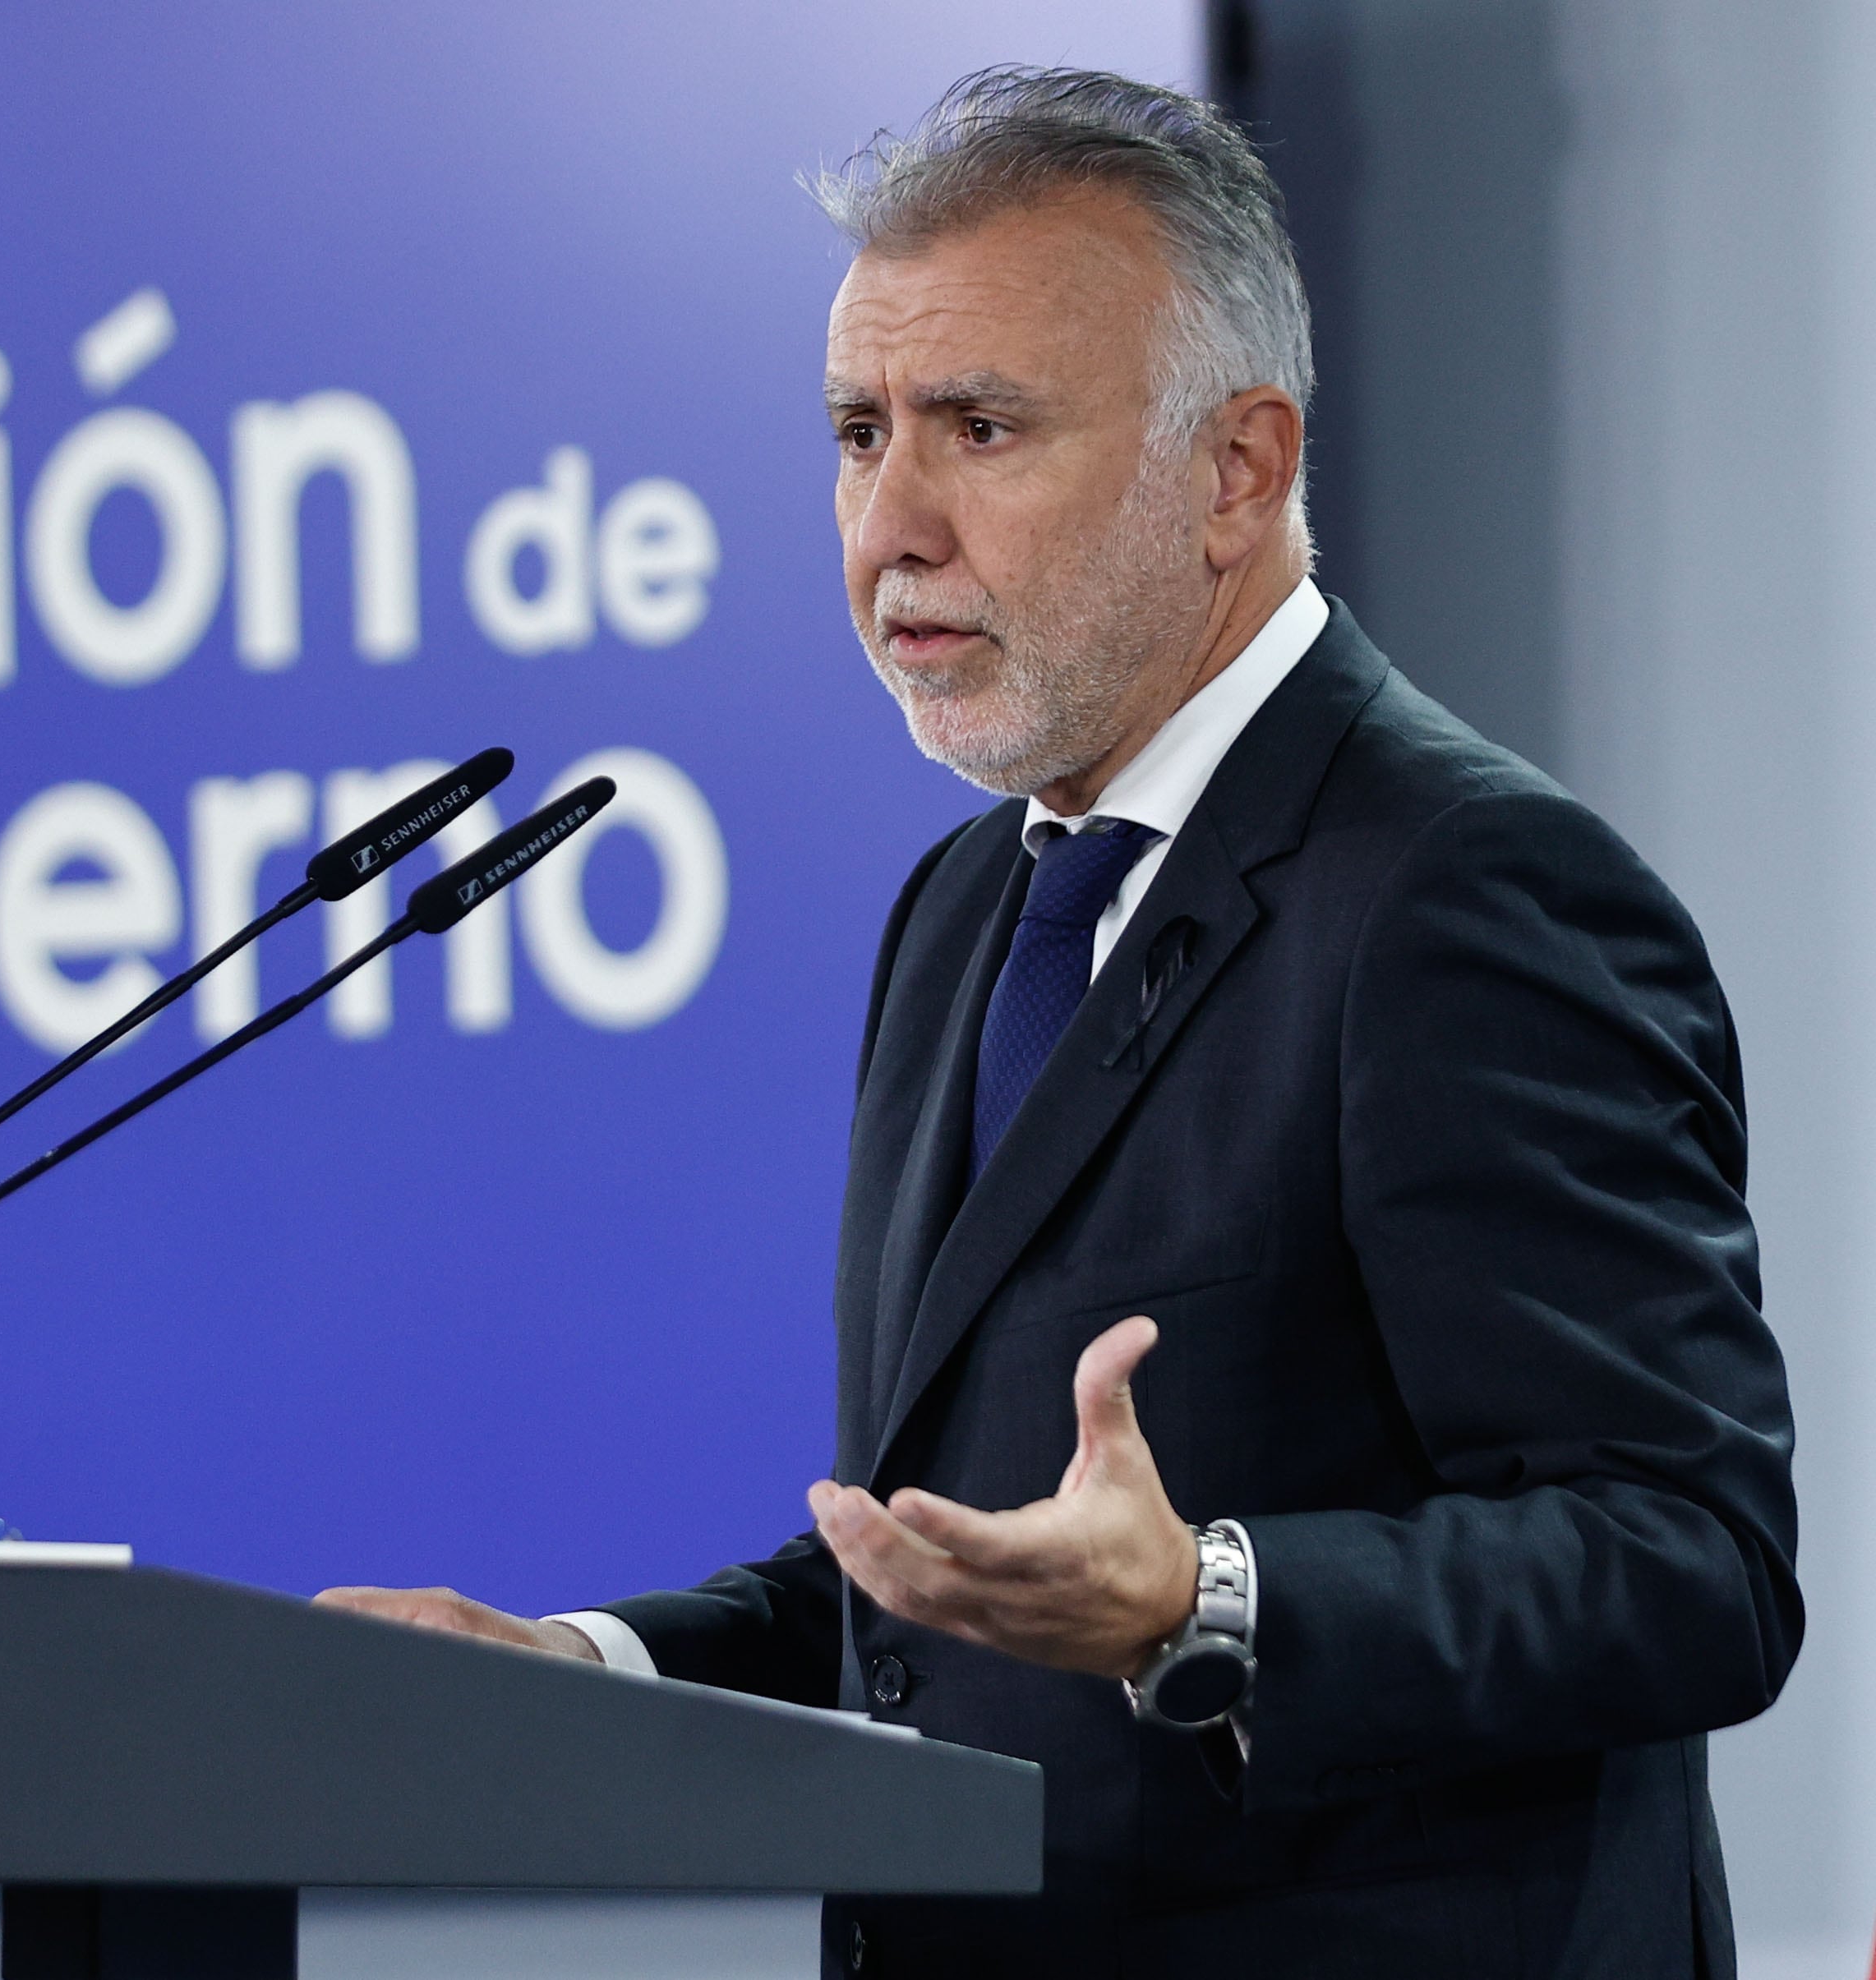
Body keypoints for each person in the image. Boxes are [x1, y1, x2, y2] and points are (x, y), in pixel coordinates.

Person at [319, 67, 1800, 1978]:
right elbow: (965, 1581)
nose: (888, 523)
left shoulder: (1462, 888)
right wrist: (583, 1666)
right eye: (856, 433)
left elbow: (1686, 1559)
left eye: (980, 428)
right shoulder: (965, 911)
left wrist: (1211, 1598)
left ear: (1235, 470)